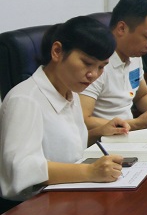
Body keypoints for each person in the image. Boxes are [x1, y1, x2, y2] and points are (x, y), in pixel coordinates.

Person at [1, 17, 127, 204]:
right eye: (87, 63)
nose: (93, 74)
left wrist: (100, 132)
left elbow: (64, 147)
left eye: (101, 67)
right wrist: (89, 171)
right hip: (32, 207)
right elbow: (21, 169)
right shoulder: (25, 100)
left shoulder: (70, 92)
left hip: (67, 197)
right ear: (57, 51)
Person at [80, 0, 147, 132]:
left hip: (129, 132)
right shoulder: (97, 63)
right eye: (146, 36)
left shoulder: (134, 56)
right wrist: (136, 124)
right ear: (121, 28)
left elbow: (142, 95)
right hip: (106, 138)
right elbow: (83, 120)